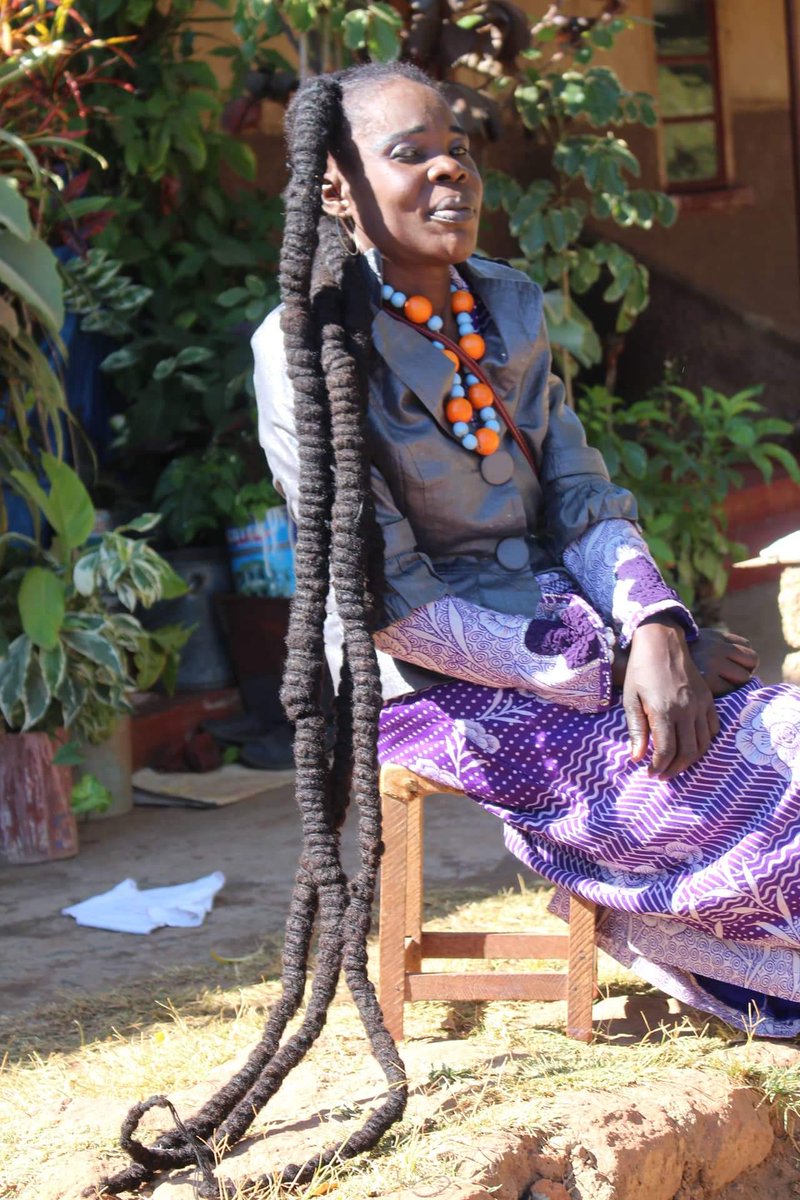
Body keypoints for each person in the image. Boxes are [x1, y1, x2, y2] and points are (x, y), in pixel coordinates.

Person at [101, 61, 800, 1199]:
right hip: (430, 676)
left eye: (459, 150)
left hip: (567, 623)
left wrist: (654, 617)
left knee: (779, 735)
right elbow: (386, 599)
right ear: (336, 192)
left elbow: (576, 495)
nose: (446, 171)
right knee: (702, 776)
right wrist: (603, 669)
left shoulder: (508, 301)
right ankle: (693, 947)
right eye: (408, 153)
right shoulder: (305, 351)